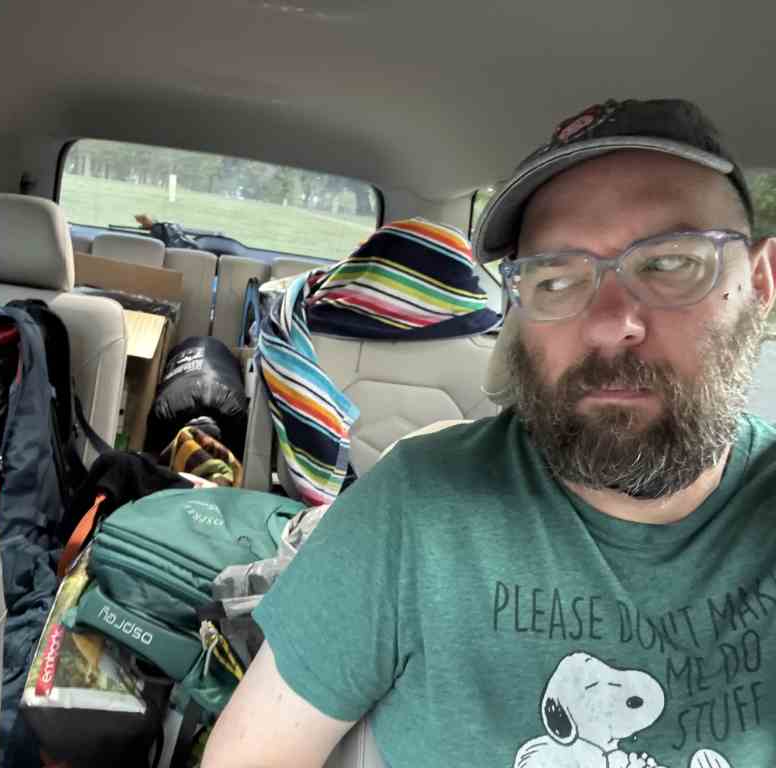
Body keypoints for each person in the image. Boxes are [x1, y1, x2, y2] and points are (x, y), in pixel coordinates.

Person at [202, 99, 776, 768]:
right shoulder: (414, 506)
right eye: (557, 278)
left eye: (670, 264)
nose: (610, 322)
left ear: (761, 282)